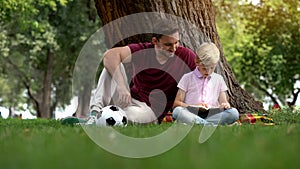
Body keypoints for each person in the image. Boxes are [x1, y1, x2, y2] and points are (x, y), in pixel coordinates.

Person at [87, 21, 197, 124]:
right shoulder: (143, 51)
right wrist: (121, 87)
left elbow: (200, 79)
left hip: (150, 111)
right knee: (112, 67)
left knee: (127, 116)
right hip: (129, 99)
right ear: (155, 41)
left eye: (176, 42)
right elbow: (109, 56)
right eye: (168, 44)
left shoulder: (186, 56)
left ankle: (101, 120)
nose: (174, 48)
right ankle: (94, 114)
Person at [172, 42, 239, 125]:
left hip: (212, 115)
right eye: (204, 68)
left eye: (212, 68)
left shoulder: (219, 79)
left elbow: (223, 102)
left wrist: (224, 105)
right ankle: (209, 126)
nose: (208, 72)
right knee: (177, 111)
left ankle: (201, 124)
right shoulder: (187, 78)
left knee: (234, 113)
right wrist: (193, 107)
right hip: (192, 113)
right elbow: (177, 103)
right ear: (196, 61)